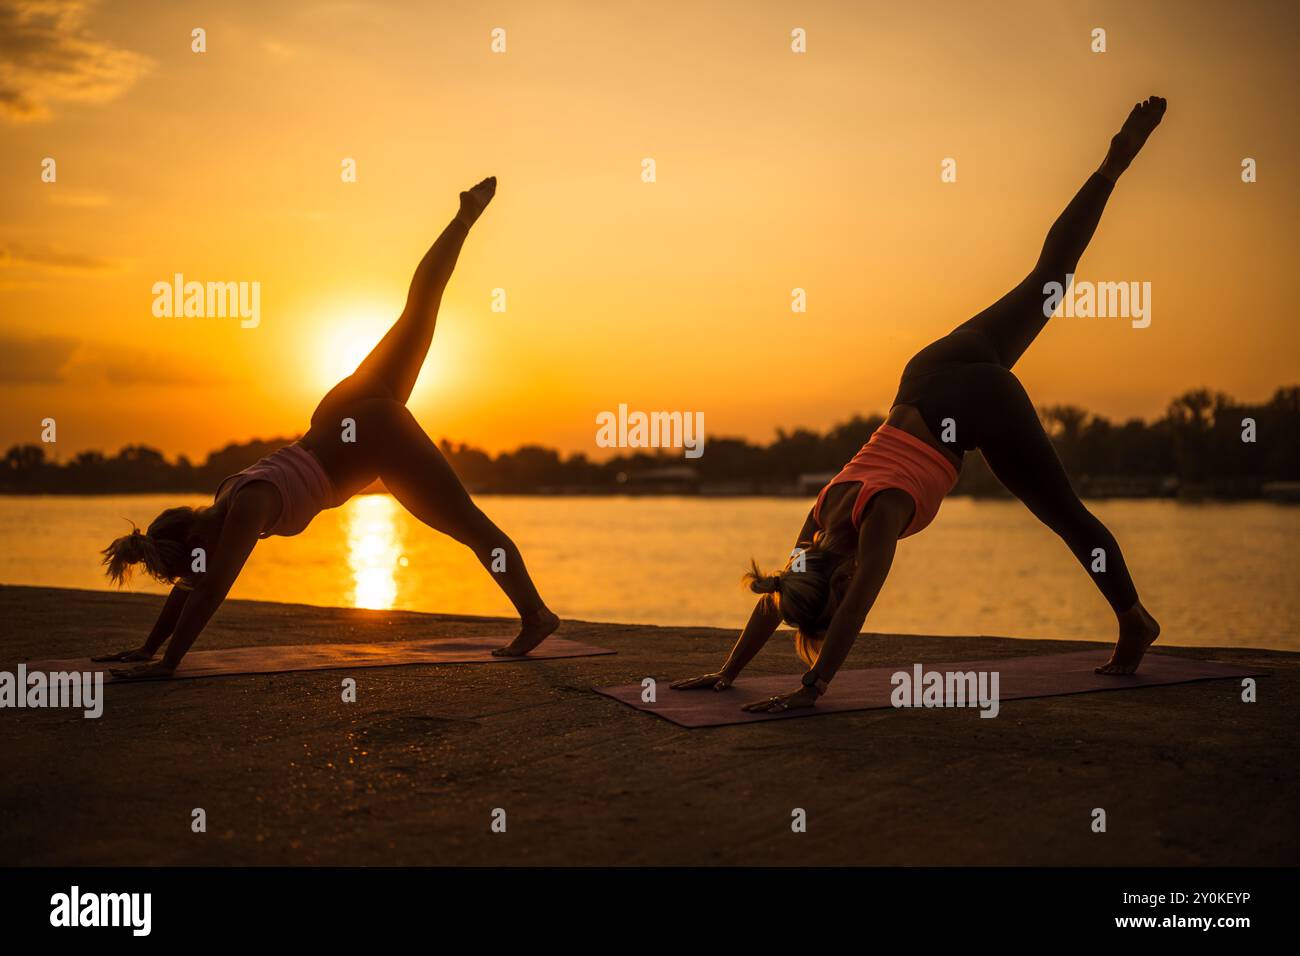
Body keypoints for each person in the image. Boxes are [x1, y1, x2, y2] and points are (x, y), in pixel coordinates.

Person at [672, 98, 1168, 713]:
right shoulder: (821, 522)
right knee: (1050, 274)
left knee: (1065, 513)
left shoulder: (874, 517)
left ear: (836, 577)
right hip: (926, 372)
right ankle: (1111, 166)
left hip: (976, 402)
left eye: (837, 593)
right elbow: (779, 598)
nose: (847, 588)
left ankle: (1134, 619)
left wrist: (812, 687)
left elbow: (856, 605)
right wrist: (727, 673)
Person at [96, 177, 560, 679]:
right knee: (419, 311)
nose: (188, 579)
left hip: (371, 434)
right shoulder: (225, 501)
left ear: (196, 548)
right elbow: (197, 581)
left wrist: (168, 664)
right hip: (338, 414)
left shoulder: (248, 507)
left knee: (472, 526)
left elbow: (211, 585)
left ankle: (536, 616)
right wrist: (149, 649)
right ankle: (464, 217)